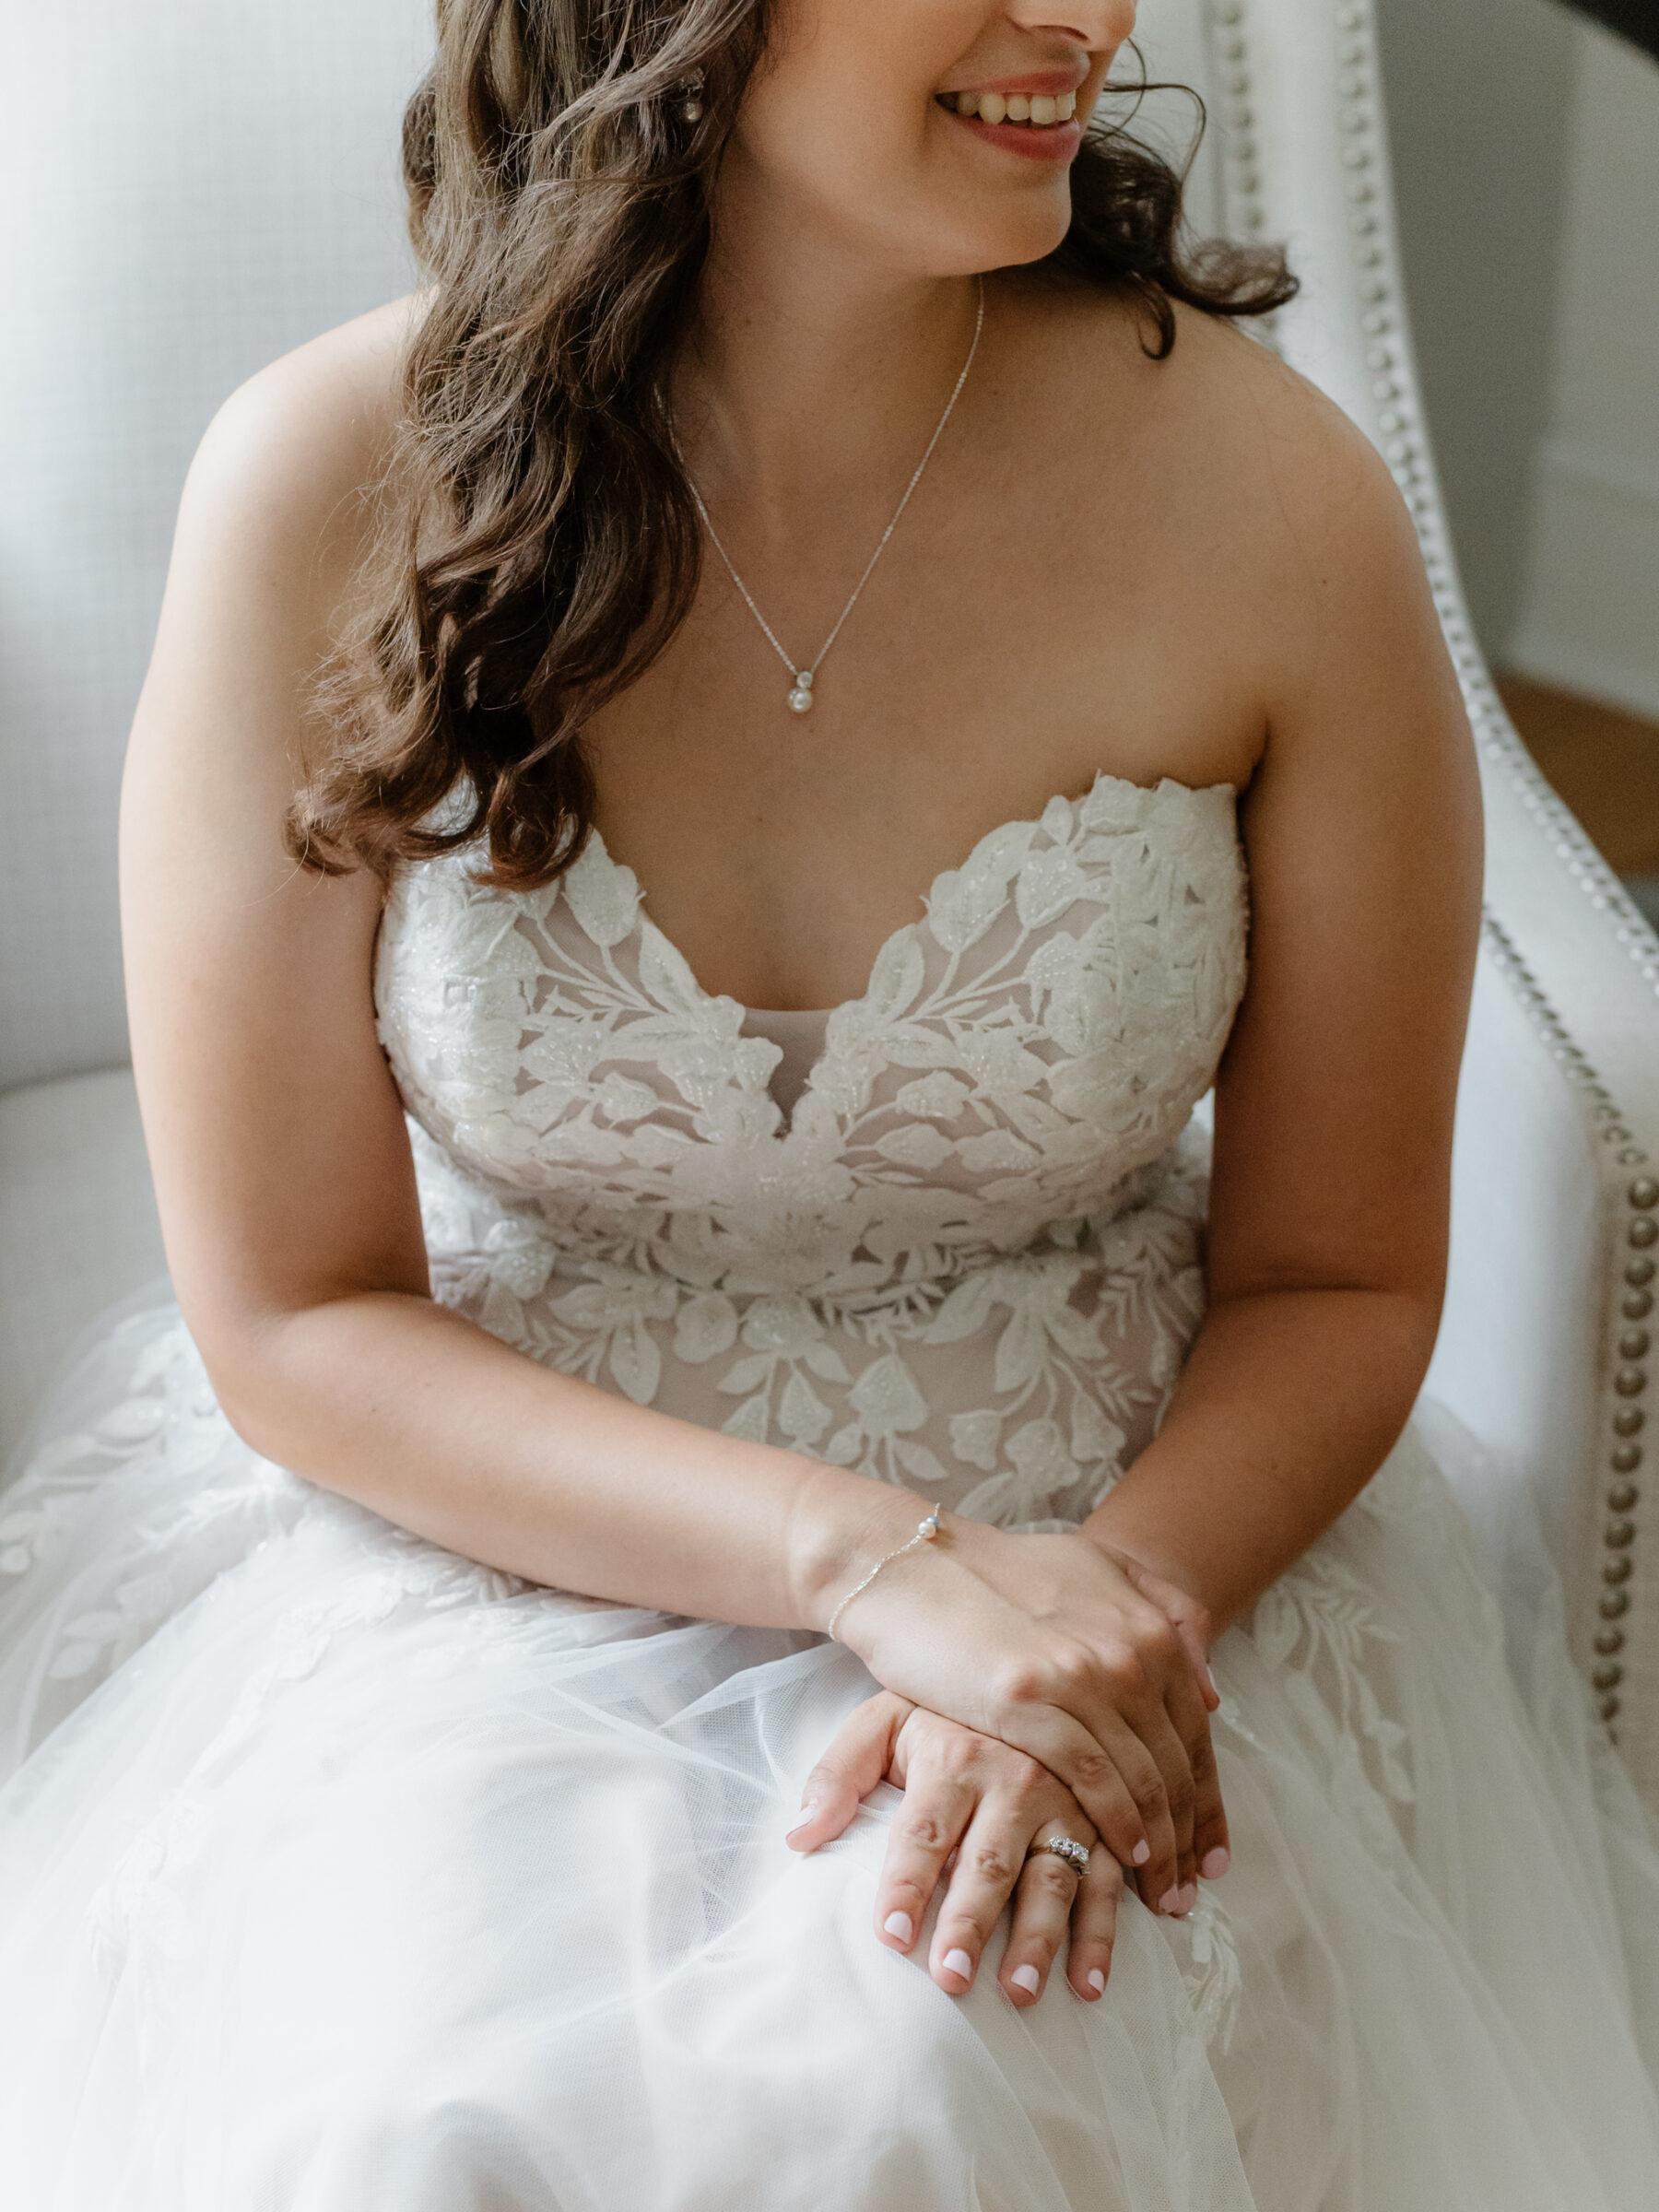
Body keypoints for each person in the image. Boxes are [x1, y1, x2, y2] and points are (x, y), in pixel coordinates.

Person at [2, 1, 1657, 2204]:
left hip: (1119, 1526)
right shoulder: (322, 487)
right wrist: (873, 1565)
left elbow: (1341, 1269)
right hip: (510, 1532)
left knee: (913, 2088)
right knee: (424, 2120)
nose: (1089, 16)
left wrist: (1078, 1640)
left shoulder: (1275, 503)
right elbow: (296, 1315)